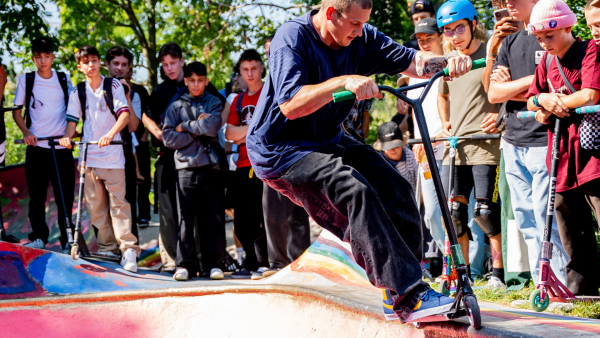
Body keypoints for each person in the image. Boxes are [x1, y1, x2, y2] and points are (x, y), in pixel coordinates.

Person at [246, 0, 473, 323]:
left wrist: (447, 62)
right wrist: (343, 81)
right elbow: (291, 105)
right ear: (329, 14)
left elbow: (413, 61)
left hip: (327, 140)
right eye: (353, 24)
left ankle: (402, 293)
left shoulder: (364, 37)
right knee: (354, 189)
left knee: (394, 185)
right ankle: (408, 293)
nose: (359, 31)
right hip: (281, 150)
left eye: (364, 23)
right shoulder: (292, 37)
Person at [487, 0, 569, 286]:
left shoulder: (553, 35)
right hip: (512, 141)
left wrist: (519, 87)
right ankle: (542, 285)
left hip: (544, 140)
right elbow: (494, 93)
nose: (508, 2)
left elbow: (557, 89)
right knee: (525, 220)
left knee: (546, 219)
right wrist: (534, 84)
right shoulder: (509, 42)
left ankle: (560, 284)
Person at [525, 0, 600, 296]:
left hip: (592, 153)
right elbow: (531, 98)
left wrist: (554, 103)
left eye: (550, 36)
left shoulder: (590, 50)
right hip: (561, 154)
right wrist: (543, 102)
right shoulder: (545, 60)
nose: (544, 43)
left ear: (568, 27)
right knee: (570, 223)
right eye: (539, 37)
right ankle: (582, 290)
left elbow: (590, 94)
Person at [436, 0, 505, 288]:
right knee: (454, 215)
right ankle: (461, 274)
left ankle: (498, 274)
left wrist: (498, 113)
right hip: (456, 146)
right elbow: (442, 95)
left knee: (484, 212)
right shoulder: (448, 61)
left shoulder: (492, 51)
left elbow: (503, 90)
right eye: (448, 31)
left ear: (473, 24)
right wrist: (444, 122)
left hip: (486, 143)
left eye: (460, 28)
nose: (455, 36)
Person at [59, 45, 140, 272]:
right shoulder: (78, 92)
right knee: (96, 207)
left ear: (99, 63)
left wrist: (110, 134)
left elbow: (124, 115)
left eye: (94, 60)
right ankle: (107, 247)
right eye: (86, 62)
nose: (91, 65)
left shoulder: (112, 85)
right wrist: (67, 138)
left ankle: (128, 249)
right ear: (80, 66)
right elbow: (72, 124)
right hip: (89, 155)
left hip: (113, 154)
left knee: (119, 205)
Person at [162, 61, 225, 281]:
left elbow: (211, 126)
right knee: (185, 219)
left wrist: (184, 126)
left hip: (210, 167)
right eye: (192, 81)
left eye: (200, 80)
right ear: (186, 81)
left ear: (206, 81)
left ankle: (214, 264)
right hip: (185, 169)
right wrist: (195, 127)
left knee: (214, 218)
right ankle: (185, 265)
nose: (196, 84)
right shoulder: (175, 106)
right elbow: (168, 138)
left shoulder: (214, 102)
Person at [12, 36, 75, 251]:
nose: (43, 61)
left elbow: (75, 111)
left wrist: (70, 134)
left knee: (64, 196)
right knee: (37, 196)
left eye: (47, 56)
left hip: (61, 147)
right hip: (37, 147)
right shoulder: (26, 80)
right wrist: (27, 133)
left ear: (53, 57)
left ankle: (68, 239)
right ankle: (38, 236)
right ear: (33, 58)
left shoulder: (64, 79)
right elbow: (17, 112)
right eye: (38, 57)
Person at [259, 38, 311, 280]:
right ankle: (276, 263)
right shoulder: (263, 87)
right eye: (270, 53)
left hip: (301, 153)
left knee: (300, 214)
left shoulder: (301, 76)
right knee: (274, 214)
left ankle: (300, 264)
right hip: (274, 157)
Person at [225, 49, 269, 279]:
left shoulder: (269, 94)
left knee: (263, 217)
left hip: (265, 163)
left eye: (254, 68)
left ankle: (265, 262)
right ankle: (249, 261)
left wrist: (245, 134)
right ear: (240, 72)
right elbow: (230, 133)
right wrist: (252, 132)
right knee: (242, 219)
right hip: (242, 164)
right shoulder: (239, 100)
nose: (250, 74)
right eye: (245, 70)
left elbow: (269, 131)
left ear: (261, 68)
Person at [105, 46, 141, 241]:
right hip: (100, 153)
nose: (120, 68)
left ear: (129, 68)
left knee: (127, 203)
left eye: (124, 65)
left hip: (124, 152)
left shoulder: (134, 94)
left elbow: (133, 126)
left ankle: (130, 249)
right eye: (116, 63)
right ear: (107, 65)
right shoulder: (95, 89)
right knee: (102, 206)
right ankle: (107, 248)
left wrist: (126, 95)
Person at [379, 122, 418, 191]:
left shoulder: (412, 156)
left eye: (396, 145)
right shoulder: (379, 164)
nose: (393, 149)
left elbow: (420, 183)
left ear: (402, 141)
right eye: (388, 146)